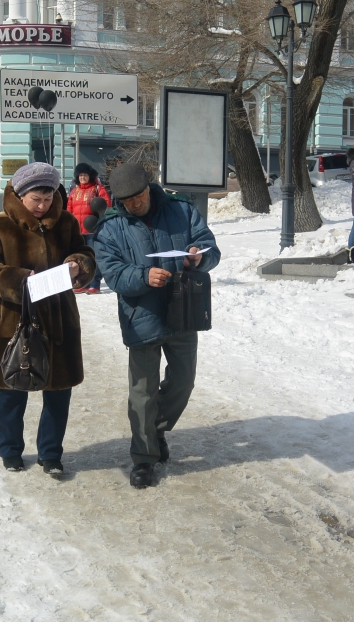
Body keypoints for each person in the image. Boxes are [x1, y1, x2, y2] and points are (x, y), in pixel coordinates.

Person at [93, 162, 221, 489]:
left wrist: (199, 256)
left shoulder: (181, 210)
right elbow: (113, 273)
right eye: (127, 201)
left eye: (139, 196)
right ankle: (143, 458)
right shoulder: (111, 227)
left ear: (149, 187)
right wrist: (143, 276)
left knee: (183, 383)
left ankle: (156, 430)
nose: (135, 204)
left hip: (183, 310)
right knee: (142, 393)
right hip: (141, 316)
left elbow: (209, 247)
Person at [0, 162, 96, 476]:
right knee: (12, 389)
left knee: (58, 389)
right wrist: (15, 279)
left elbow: (85, 253)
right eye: (35, 200)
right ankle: (11, 451)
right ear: (21, 195)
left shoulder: (66, 222)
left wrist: (77, 265)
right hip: (11, 320)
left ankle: (51, 454)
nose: (42, 206)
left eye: (48, 199)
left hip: (59, 320)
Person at [67, 163, 113, 295]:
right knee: (79, 257)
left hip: (93, 229)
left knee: (94, 256)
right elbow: (69, 210)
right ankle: (82, 282)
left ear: (89, 176)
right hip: (77, 231)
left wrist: (100, 221)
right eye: (80, 175)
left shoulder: (97, 189)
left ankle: (94, 283)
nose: (82, 177)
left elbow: (106, 205)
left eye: (85, 175)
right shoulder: (74, 191)